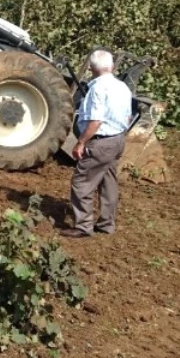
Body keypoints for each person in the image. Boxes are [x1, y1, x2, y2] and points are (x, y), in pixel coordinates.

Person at [60, 49, 133, 238]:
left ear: (92, 68)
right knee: (109, 182)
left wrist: (81, 142)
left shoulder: (98, 88)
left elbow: (96, 121)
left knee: (81, 182)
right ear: (111, 66)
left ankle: (83, 226)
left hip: (101, 142)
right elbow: (128, 116)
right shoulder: (122, 87)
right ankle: (107, 223)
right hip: (118, 139)